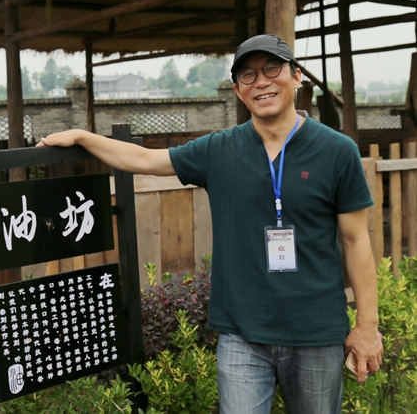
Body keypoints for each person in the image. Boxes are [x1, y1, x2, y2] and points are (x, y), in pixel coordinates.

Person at [38, 34, 383, 414]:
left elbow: (355, 241)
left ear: (296, 76)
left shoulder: (337, 151)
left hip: (317, 331)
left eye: (272, 69)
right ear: (237, 90)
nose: (262, 82)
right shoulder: (218, 149)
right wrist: (84, 137)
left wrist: (367, 325)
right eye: (248, 76)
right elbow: (143, 159)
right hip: (242, 334)